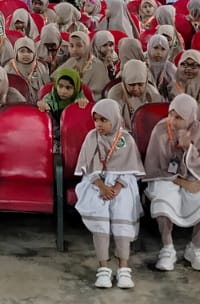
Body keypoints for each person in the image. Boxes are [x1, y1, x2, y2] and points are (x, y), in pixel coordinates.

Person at [143, 93, 200, 273]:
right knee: (163, 201)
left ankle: (195, 248)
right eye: (171, 115)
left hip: (192, 176)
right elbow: (153, 165)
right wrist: (180, 182)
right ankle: (168, 248)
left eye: (178, 117)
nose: (172, 121)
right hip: (164, 177)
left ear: (190, 117)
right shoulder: (160, 129)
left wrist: (187, 148)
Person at [73, 98, 144, 290]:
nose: (98, 124)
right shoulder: (91, 137)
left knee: (122, 211)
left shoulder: (126, 139)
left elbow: (131, 169)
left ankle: (123, 268)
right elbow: (88, 167)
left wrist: (117, 187)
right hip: (97, 183)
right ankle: (103, 268)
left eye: (104, 120)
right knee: (100, 215)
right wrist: (102, 187)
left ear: (115, 118)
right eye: (96, 120)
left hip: (122, 184)